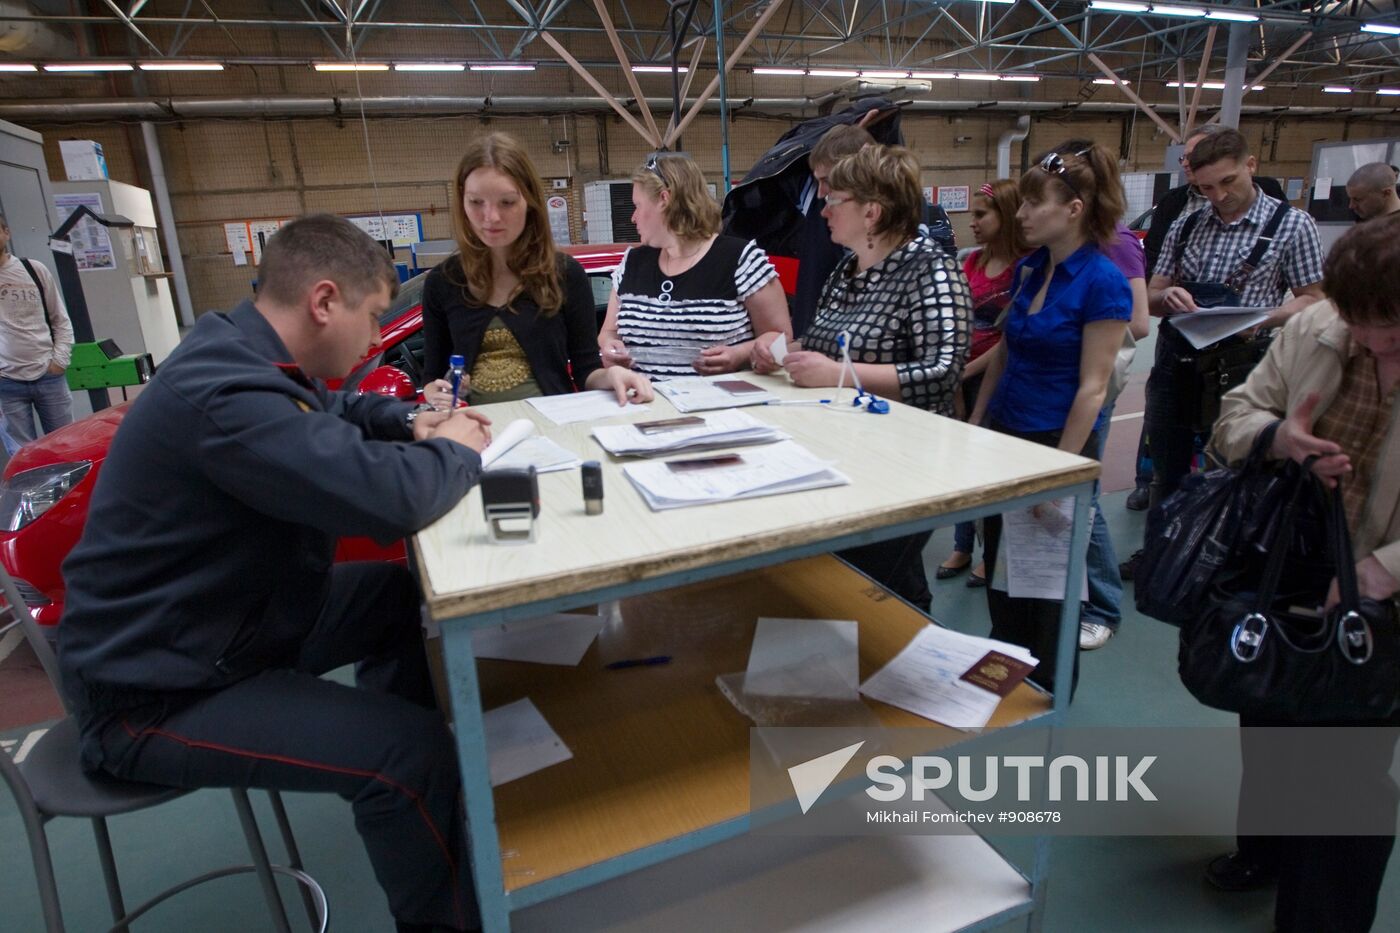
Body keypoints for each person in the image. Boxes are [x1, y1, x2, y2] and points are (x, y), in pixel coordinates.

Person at [56, 215, 492, 933]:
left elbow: (327, 406)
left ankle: (424, 804)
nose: (373, 337)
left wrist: (403, 420)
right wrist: (453, 448)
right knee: (406, 754)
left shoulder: (237, 351)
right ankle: (422, 827)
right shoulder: (223, 394)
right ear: (324, 301)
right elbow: (395, 498)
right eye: (374, 316)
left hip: (231, 625)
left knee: (402, 598)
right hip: (155, 691)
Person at [1204, 213, 1400, 933]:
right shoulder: (1314, 327)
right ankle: (1267, 850)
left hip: (1381, 599)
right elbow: (1235, 415)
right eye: (1365, 322)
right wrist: (1279, 437)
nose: (1378, 342)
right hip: (1291, 567)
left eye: (1395, 327)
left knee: (1347, 772)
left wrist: (1382, 569)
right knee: (1270, 725)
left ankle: (1322, 917)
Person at [751, 144, 971, 612]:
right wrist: (783, 353)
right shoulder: (847, 269)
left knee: (880, 578)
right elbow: (825, 346)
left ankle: (907, 662)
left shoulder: (929, 268)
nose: (824, 209)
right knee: (870, 579)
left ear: (871, 211)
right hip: (846, 452)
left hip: (903, 462)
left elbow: (941, 372)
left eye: (834, 200)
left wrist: (840, 376)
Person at [968, 142, 1133, 696]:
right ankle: (1008, 680)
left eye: (1033, 203)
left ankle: (1052, 698)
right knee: (1003, 574)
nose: (1021, 213)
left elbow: (1093, 388)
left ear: (1074, 209)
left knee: (1051, 589)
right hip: (1008, 439)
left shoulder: (1102, 283)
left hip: (1056, 444)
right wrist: (978, 422)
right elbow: (1007, 351)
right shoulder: (1032, 268)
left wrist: (1060, 472)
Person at [1143, 128, 1325, 516]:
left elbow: (1314, 299)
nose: (1219, 196)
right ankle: (1162, 556)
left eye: (1228, 181)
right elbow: (1152, 295)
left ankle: (1223, 566)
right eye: (1207, 187)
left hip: (1244, 368)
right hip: (1176, 364)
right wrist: (1166, 297)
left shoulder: (1293, 225)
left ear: (1251, 165)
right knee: (1167, 469)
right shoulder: (1187, 224)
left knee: (1234, 469)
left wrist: (1263, 319)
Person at [420, 132, 652, 409]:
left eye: (506, 202)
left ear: (529, 201)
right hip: (475, 432)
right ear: (462, 202)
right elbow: (433, 376)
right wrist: (435, 390)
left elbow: (586, 368)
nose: (491, 217)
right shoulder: (443, 282)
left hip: (551, 428)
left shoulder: (565, 275)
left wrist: (611, 374)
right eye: (476, 202)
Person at [598, 151, 791, 379]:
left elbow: (781, 338)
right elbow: (608, 332)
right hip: (643, 406)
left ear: (664, 199)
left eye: (638, 205)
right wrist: (610, 347)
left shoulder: (741, 260)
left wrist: (739, 354)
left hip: (719, 408)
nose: (633, 217)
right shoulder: (631, 263)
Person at [936, 179, 1028, 588]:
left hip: (993, 377)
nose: (971, 222)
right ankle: (962, 543)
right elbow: (952, 322)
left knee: (989, 471)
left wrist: (968, 373)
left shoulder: (1024, 270)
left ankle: (992, 551)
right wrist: (952, 373)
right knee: (958, 465)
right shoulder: (969, 262)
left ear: (1006, 217)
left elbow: (1009, 339)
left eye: (980, 215)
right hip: (959, 374)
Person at [0, 212, 75, 445]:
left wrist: (59, 361)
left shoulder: (34, 270)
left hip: (48, 375)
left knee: (65, 447)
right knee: (22, 456)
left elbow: (60, 319)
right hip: (5, 383)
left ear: (6, 232)